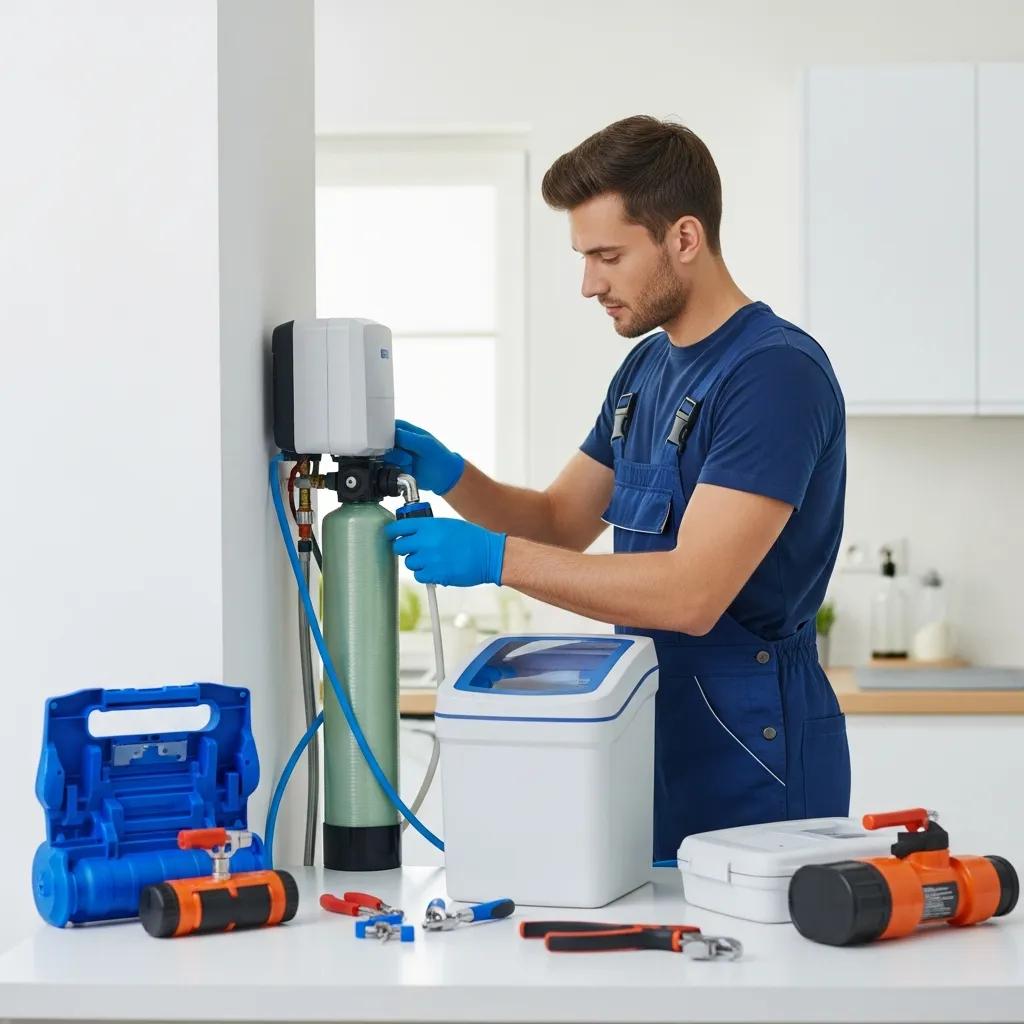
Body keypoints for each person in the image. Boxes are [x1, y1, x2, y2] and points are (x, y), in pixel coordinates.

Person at [384, 115, 850, 862]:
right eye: (583, 257)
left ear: (685, 239)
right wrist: (450, 475)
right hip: (649, 723)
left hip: (755, 747)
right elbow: (559, 521)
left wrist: (496, 559)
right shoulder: (645, 372)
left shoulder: (774, 374)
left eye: (607, 256)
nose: (588, 284)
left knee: (753, 969)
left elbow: (691, 595)